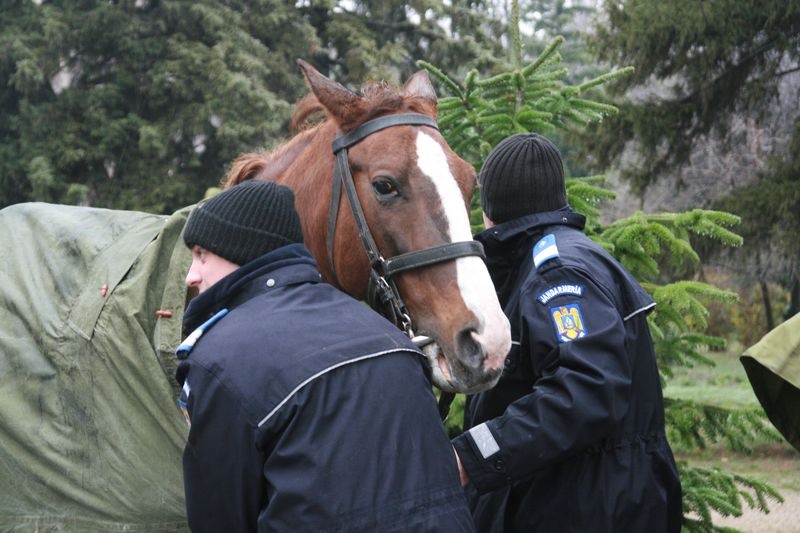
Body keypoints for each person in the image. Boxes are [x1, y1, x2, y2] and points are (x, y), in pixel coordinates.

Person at [175, 180, 474, 532]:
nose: (191, 276)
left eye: (201, 255)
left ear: (239, 250)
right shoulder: (387, 335)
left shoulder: (219, 359)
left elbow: (220, 515)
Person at [451, 134, 683, 532]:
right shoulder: (563, 257)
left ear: (490, 208)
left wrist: (476, 454)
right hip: (595, 498)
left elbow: (587, 388)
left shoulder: (557, 273)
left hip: (588, 508)